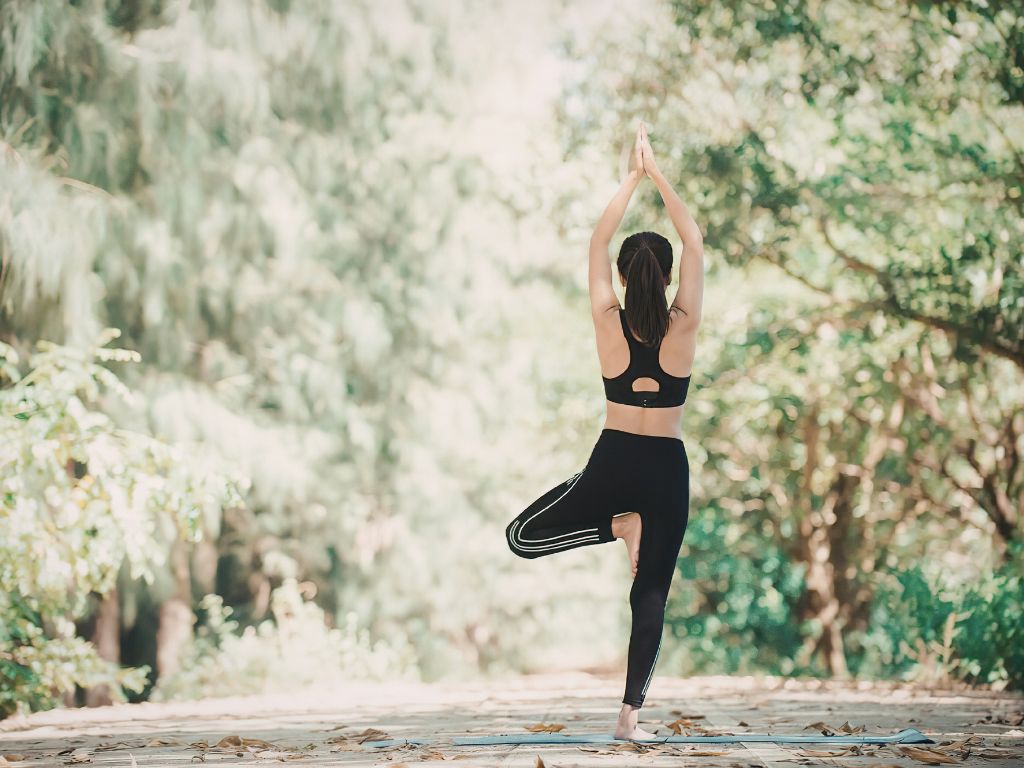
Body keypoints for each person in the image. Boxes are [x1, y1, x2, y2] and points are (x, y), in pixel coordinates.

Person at [505, 120, 705, 740]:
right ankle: (629, 719)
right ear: (667, 279)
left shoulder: (606, 322)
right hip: (666, 468)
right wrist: (658, 176)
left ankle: (615, 526)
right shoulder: (684, 326)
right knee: (650, 596)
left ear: (621, 278)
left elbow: (597, 240)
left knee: (521, 537)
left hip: (613, 460)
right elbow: (695, 243)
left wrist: (631, 177)